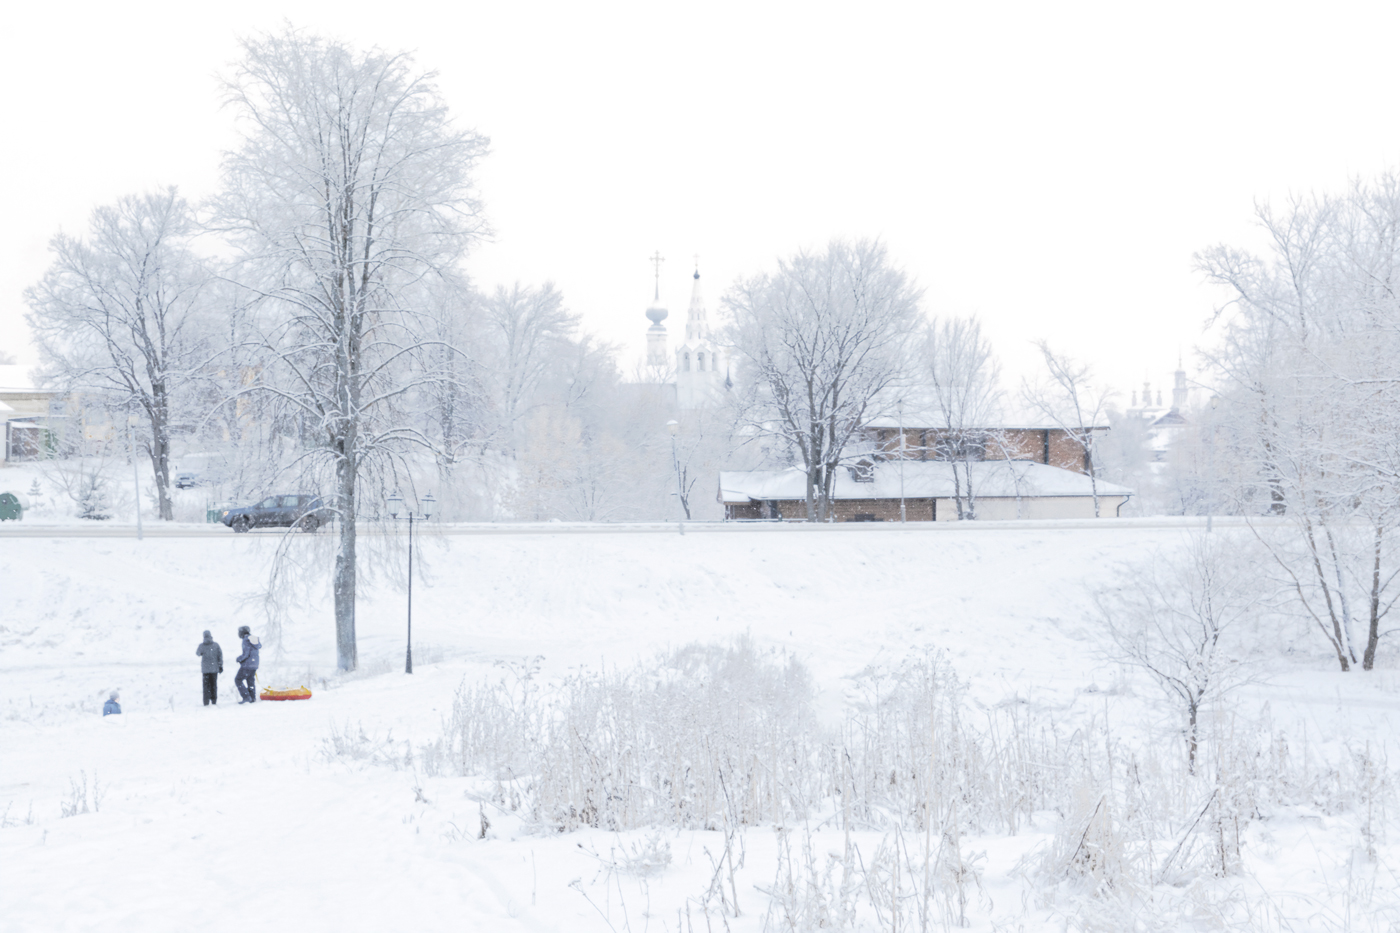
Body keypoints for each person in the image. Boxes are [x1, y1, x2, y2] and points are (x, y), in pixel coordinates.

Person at [235, 625, 261, 704]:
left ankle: (246, 697)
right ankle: (252, 698)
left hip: (247, 665)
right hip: (254, 664)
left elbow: (246, 654)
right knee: (250, 681)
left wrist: (239, 659)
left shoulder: (246, 640)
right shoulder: (253, 639)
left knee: (238, 680)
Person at [196, 630, 223, 706]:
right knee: (213, 685)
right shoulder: (216, 645)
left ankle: (206, 701)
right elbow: (220, 656)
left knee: (206, 686)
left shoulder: (202, 645)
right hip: (214, 669)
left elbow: (198, 653)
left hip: (205, 670)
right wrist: (220, 665)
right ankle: (214, 701)